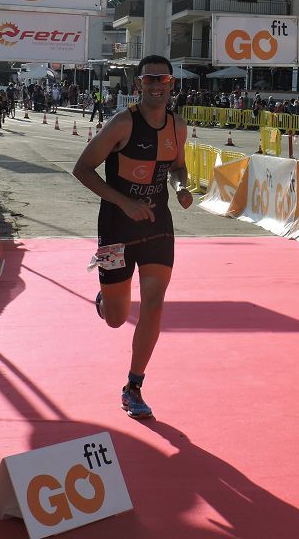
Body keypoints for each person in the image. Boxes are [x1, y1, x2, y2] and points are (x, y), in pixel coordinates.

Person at [73, 55, 194, 419]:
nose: (157, 85)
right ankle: (105, 302)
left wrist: (182, 186)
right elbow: (82, 169)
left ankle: (134, 385)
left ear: (172, 85)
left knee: (155, 304)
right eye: (150, 80)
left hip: (157, 224)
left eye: (163, 80)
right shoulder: (121, 124)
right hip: (116, 226)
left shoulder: (178, 126)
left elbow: (177, 167)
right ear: (138, 84)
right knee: (116, 317)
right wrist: (124, 202)